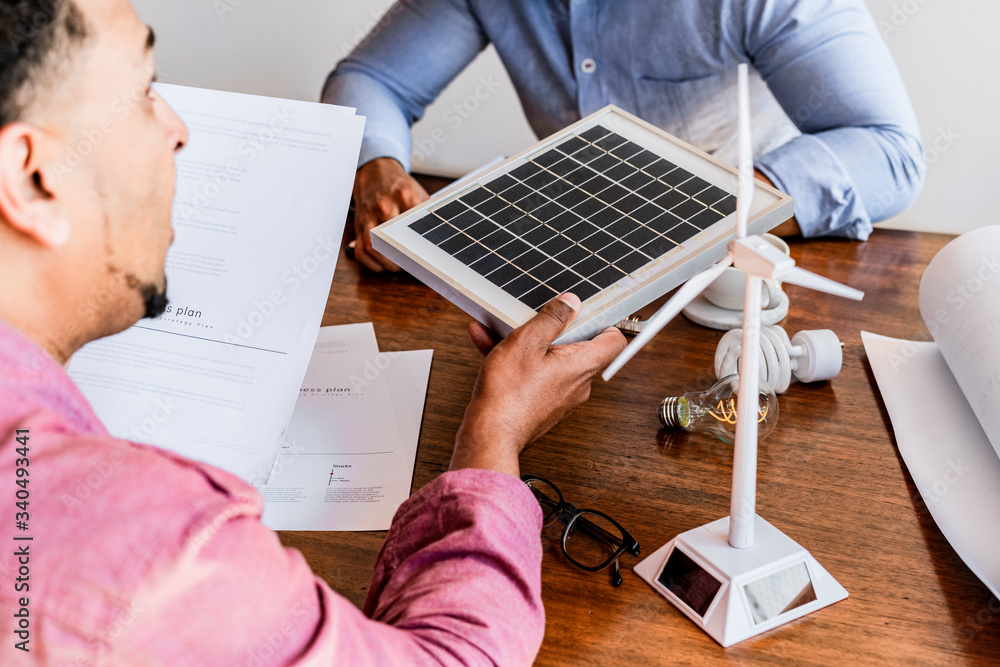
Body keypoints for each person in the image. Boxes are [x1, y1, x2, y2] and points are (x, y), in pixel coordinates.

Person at [0, 0, 626, 664]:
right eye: (143, 92)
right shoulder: (153, 549)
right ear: (33, 178)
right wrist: (493, 437)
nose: (177, 129)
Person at [324, 0, 927, 272]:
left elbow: (887, 148)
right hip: (566, 246)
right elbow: (372, 78)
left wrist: (717, 205)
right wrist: (376, 165)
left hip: (737, 260)